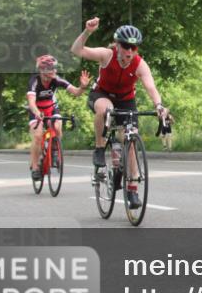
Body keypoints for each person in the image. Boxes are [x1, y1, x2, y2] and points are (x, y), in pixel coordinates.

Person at [71, 18, 169, 210]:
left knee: (130, 139)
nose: (130, 51)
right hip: (102, 94)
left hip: (125, 99)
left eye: (134, 47)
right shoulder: (106, 55)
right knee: (105, 109)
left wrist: (159, 106)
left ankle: (132, 189)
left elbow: (151, 87)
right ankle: (99, 148)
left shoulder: (140, 64)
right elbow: (77, 50)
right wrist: (87, 32)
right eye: (126, 46)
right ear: (117, 45)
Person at [26, 55, 90, 181]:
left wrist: (82, 87)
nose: (55, 71)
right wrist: (37, 112)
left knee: (57, 127)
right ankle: (34, 167)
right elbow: (31, 103)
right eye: (51, 69)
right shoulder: (34, 81)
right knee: (38, 136)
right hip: (36, 110)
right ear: (42, 70)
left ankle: (55, 151)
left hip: (51, 108)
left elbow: (76, 92)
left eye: (55, 68)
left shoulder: (56, 79)